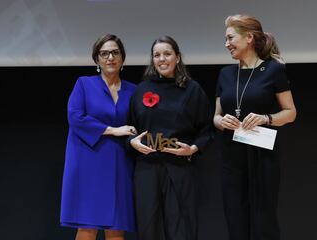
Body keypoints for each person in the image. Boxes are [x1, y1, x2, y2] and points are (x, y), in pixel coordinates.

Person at [213, 14, 297, 240]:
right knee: (235, 217)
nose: (226, 44)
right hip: (232, 156)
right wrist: (221, 122)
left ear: (249, 37)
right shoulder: (225, 74)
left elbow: (290, 113)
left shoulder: (273, 70)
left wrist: (266, 118)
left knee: (263, 219)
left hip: (262, 156)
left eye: (230, 37)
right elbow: (216, 116)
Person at [128, 36, 213, 240]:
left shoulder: (192, 90)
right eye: (157, 55)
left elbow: (207, 130)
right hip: (147, 168)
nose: (162, 59)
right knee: (148, 228)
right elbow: (131, 129)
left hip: (180, 167)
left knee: (181, 229)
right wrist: (132, 142)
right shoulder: (141, 90)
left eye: (167, 54)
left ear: (177, 57)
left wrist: (192, 149)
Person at [60, 34, 137, 240]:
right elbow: (75, 117)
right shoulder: (84, 84)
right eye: (104, 53)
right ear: (97, 59)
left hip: (119, 162)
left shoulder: (134, 91)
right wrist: (113, 130)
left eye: (115, 52)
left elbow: (138, 125)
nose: (110, 57)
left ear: (122, 58)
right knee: (87, 227)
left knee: (116, 227)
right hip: (88, 160)